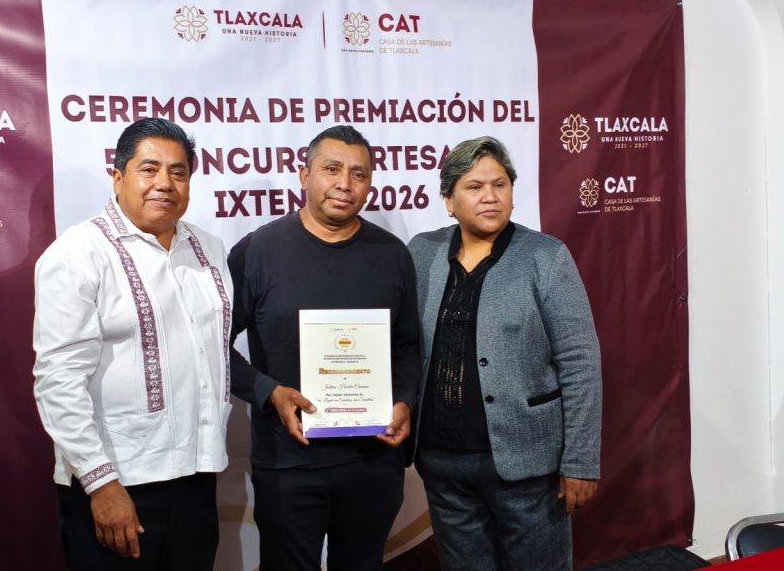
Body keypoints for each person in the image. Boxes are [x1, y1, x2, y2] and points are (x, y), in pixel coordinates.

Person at [33, 118, 231, 570]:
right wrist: (101, 483)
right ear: (118, 176)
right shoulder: (78, 254)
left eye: (178, 172)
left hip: (197, 475)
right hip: (118, 482)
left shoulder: (208, 248)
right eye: (149, 169)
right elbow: (58, 380)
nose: (165, 183)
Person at [228, 125, 421, 570]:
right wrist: (269, 392)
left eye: (359, 174)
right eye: (332, 169)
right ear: (304, 175)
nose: (345, 184)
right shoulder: (257, 252)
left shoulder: (392, 254)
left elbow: (407, 346)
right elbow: (213, 349)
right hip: (289, 463)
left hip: (373, 460)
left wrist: (405, 401)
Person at [407, 137, 602, 570]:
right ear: (449, 200)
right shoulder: (422, 252)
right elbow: (403, 345)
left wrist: (581, 462)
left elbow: (580, 363)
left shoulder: (546, 257)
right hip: (442, 463)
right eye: (474, 187)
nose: (490, 196)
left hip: (526, 463)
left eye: (500, 184)